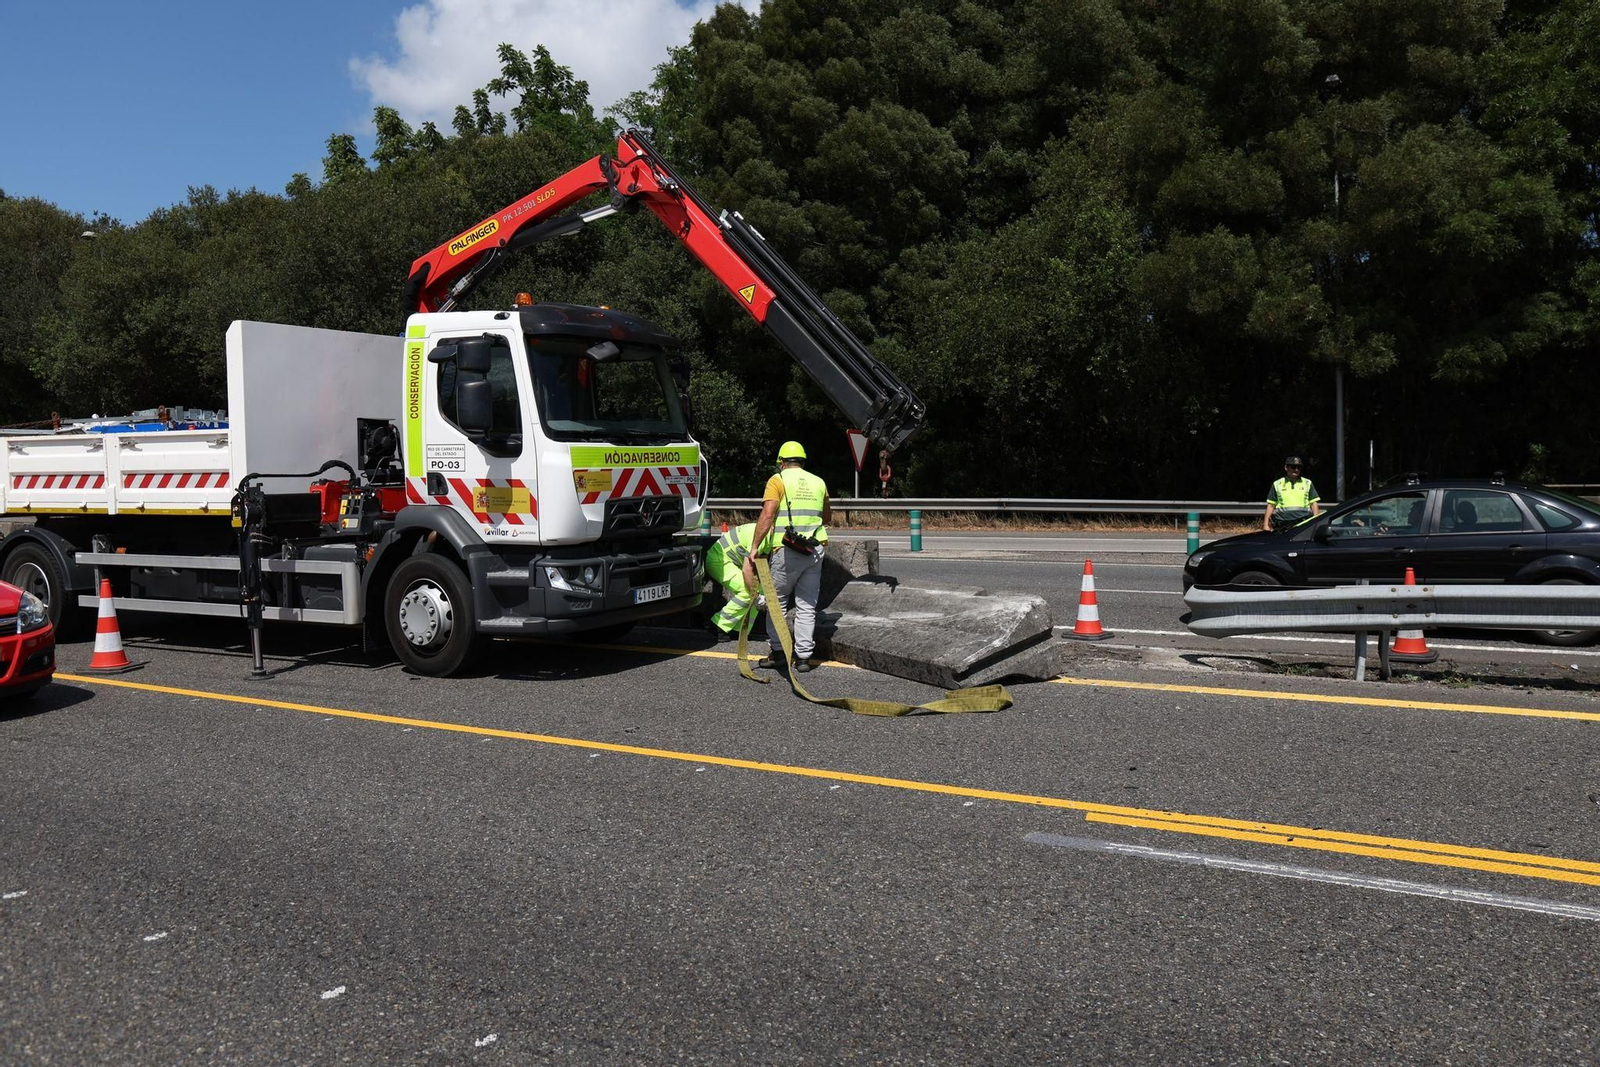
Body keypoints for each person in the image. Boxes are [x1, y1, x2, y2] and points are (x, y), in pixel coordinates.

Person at [743, 440, 831, 673]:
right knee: (806, 606)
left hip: (787, 550)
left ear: (781, 462)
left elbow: (768, 513)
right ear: (802, 461)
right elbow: (827, 517)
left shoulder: (778, 480)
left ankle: (779, 652)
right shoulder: (819, 481)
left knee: (776, 603)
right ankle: (803, 658)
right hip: (814, 549)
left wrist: (754, 546)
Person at [703, 521, 774, 641]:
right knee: (748, 591)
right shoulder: (762, 535)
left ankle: (740, 630)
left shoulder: (767, 531)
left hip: (729, 561)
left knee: (759, 590)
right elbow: (747, 569)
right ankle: (718, 624)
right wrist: (755, 595)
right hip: (719, 561)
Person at [1263, 454, 1320, 532]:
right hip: (1282, 524)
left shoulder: (1307, 483)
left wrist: (1316, 522)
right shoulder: (1277, 484)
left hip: (1303, 523)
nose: (1296, 470)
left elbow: (1314, 504)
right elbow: (1271, 505)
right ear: (1286, 468)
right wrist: (1265, 524)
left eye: (1298, 467)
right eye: (1293, 467)